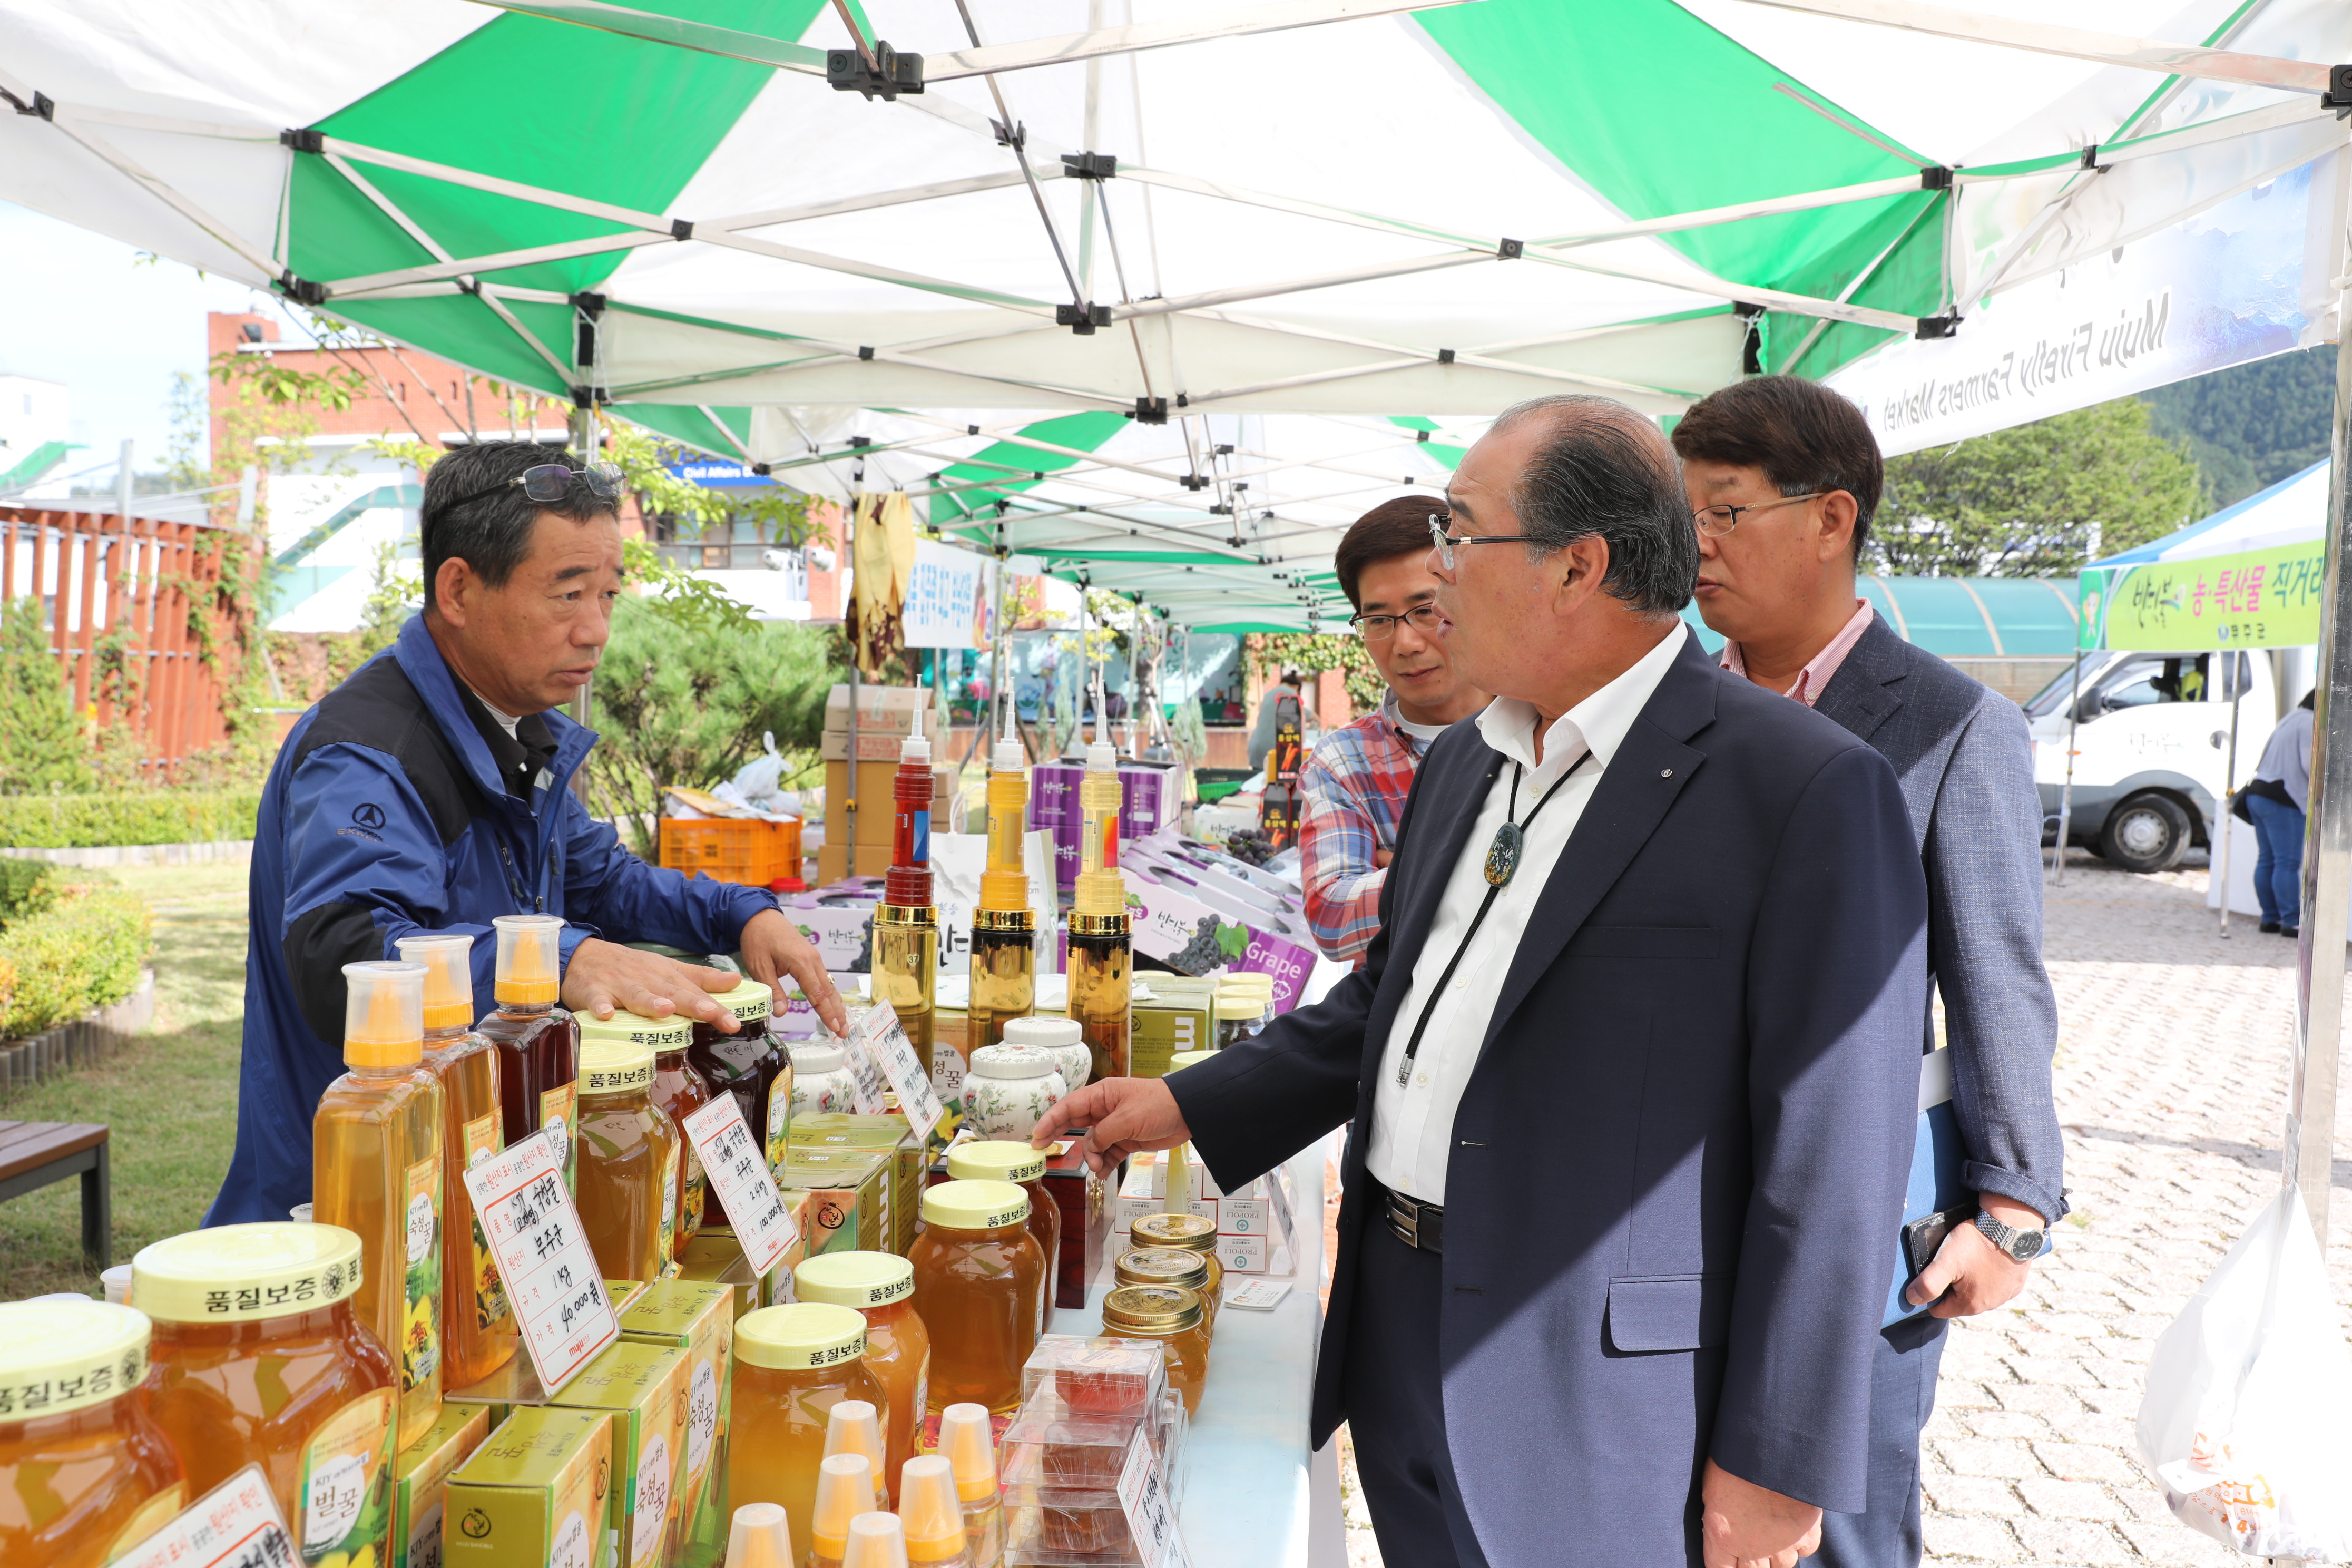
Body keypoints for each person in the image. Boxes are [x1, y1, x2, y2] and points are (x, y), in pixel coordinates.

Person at [1036, 395, 1928, 1568]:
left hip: (1594, 1384)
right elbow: (1391, 1004)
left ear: (1578, 566)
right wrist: (1188, 1104)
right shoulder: (1467, 759)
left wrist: (1777, 1457)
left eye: (1459, 535)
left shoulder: (1798, 789)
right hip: (1402, 1321)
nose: (1436, 573)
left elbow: (1835, 1157)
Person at [209, 442, 850, 1226]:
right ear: (459, 589)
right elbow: (344, 954)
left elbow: (603, 883)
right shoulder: (368, 753)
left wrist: (740, 912)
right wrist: (559, 959)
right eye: (568, 594)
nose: (596, 632)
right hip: (361, 1203)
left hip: (487, 1179)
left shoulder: (516, 734)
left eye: (609, 595)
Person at [1672, 374, 2065, 1568]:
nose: (1695, 549)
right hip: (1668, 1211)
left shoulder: (1945, 723)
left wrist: (2012, 1210)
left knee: (1836, 1526)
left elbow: (1996, 974)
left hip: (1855, 1215)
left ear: (1830, 519)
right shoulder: (1667, 711)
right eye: (1680, 517)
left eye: (1724, 513)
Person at [1300, 496, 1490, 963]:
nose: (1405, 643)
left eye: (1425, 609)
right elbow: (1333, 919)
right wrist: (1489, 870)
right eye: (1379, 620)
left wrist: (1407, 872)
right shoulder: (1343, 763)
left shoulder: (1544, 722)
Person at [2243, 688, 2315, 936]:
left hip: (2259, 793)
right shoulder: (2309, 722)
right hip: (2283, 798)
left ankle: (2270, 918)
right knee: (2287, 862)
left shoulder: (2290, 718)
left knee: (2268, 859)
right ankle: (2291, 921)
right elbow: (2310, 765)